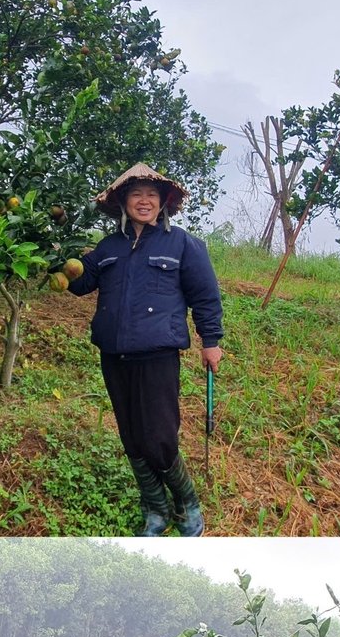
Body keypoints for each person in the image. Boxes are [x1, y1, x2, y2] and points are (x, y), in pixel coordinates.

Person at [67, 162, 224, 537]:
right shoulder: (108, 247)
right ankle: (155, 509)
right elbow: (80, 283)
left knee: (159, 438)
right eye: (136, 194)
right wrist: (58, 259)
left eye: (151, 195)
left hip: (157, 355)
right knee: (131, 437)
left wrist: (211, 341)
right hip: (114, 354)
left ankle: (187, 504)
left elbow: (205, 296)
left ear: (163, 202)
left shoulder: (182, 244)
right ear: (124, 201)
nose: (144, 201)